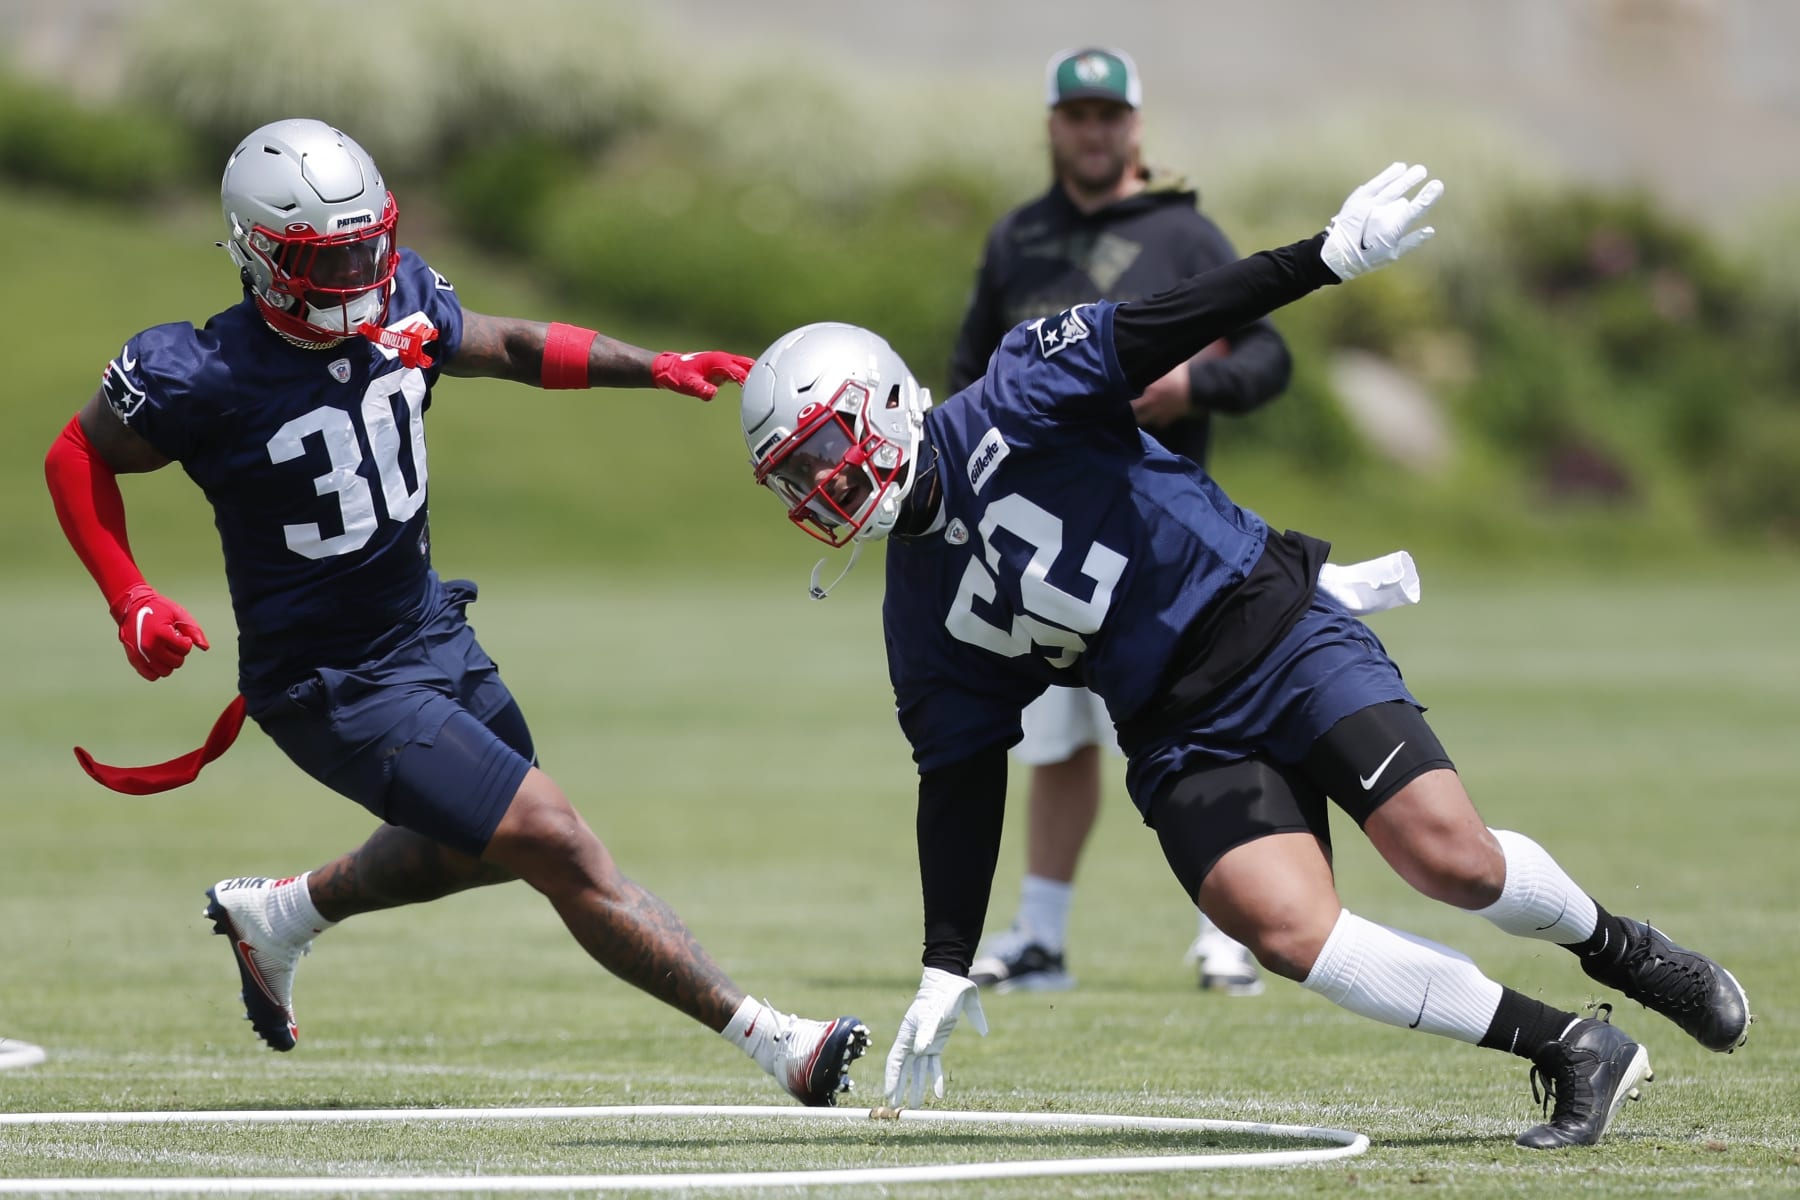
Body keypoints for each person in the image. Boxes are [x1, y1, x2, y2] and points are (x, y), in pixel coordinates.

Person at [737, 163, 1752, 1148]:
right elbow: (958, 779)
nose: (823, 489)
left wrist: (1322, 258)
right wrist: (945, 964)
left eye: (827, 450)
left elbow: (1168, 318)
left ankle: (1624, 951)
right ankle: (1575, 1048)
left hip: (1270, 624)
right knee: (1282, 929)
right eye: (797, 479)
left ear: (885, 401)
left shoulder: (1018, 388)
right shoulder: (915, 614)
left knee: (1448, 856)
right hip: (1174, 724)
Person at [43, 118, 869, 1106]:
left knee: (486, 849)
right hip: (331, 682)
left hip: (427, 631)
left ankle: (283, 914)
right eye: (331, 256)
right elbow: (77, 454)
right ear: (263, 258)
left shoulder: (401, 296)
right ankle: (778, 1041)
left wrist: (651, 364)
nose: (361, 271)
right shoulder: (199, 373)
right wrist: (129, 595)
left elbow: (511, 343)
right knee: (555, 841)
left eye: (368, 244)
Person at [950, 47, 1291, 997]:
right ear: (1054, 127)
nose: (1093, 131)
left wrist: (1193, 386)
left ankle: (1228, 932)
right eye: (1077, 115)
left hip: (1164, 538)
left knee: (1205, 732)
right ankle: (1042, 937)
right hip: (1048, 540)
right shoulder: (1018, 237)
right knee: (1058, 743)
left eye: (1109, 115)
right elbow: (969, 372)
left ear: (1136, 127)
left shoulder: (1187, 236)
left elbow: (1269, 361)